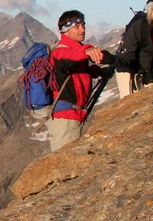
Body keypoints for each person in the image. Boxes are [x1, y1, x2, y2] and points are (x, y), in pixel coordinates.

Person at [47, 10, 115, 151]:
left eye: (83, 25)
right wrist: (86, 51)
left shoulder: (76, 50)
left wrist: (92, 71)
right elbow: (68, 58)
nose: (82, 29)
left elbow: (73, 74)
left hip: (72, 116)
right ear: (65, 30)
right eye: (77, 27)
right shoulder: (60, 52)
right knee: (64, 163)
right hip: (65, 119)